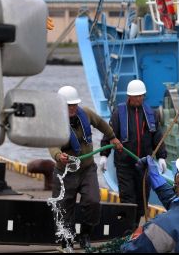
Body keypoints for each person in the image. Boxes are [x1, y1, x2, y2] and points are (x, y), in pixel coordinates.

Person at [49, 86, 123, 250]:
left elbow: (102, 124)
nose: (73, 108)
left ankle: (85, 234)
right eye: (69, 105)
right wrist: (58, 156)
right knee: (63, 207)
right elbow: (52, 145)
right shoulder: (55, 121)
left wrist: (112, 137)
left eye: (75, 104)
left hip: (87, 169)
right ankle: (66, 239)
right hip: (65, 172)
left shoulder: (86, 113)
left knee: (93, 201)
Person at [101, 79, 168, 226]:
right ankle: (127, 230)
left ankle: (134, 226)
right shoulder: (118, 114)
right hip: (125, 165)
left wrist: (162, 157)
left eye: (141, 96)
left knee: (141, 199)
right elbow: (109, 136)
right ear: (129, 96)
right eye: (136, 96)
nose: (139, 99)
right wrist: (104, 156)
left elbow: (157, 137)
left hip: (144, 166)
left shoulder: (151, 115)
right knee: (127, 199)